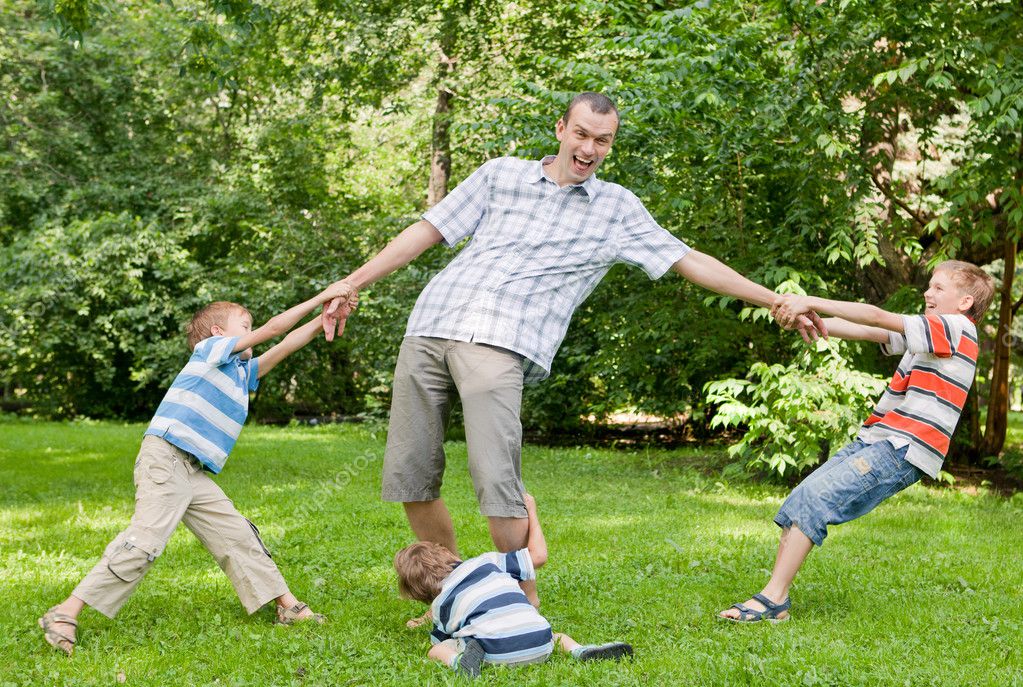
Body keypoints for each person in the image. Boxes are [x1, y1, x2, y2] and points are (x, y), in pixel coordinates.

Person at [323, 92, 822, 609]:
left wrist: (774, 299)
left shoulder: (616, 210)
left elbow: (689, 260)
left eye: (601, 140)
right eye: (581, 134)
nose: (589, 147)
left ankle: (521, 603)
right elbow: (428, 231)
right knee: (412, 474)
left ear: (610, 146)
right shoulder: (500, 174)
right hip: (430, 324)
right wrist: (351, 282)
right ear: (560, 128)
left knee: (497, 481)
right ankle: (450, 597)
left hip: (500, 342)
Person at [38, 284, 356, 655]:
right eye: (244, 323)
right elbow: (273, 331)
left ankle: (286, 606)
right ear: (218, 333)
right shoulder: (209, 352)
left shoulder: (240, 372)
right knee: (145, 541)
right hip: (167, 457)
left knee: (237, 535)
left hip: (193, 470)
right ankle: (64, 612)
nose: (251, 329)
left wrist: (325, 319)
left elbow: (284, 345)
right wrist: (321, 296)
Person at [719, 260, 995, 623]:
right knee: (803, 497)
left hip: (902, 448)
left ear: (964, 303)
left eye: (939, 288)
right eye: (929, 285)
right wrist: (808, 320)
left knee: (816, 500)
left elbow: (878, 316)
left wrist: (809, 301)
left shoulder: (956, 327)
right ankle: (776, 597)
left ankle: (773, 601)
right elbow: (868, 331)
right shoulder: (932, 334)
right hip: (879, 440)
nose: (927, 292)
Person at [393, 493, 633, 677]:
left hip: (493, 653)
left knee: (437, 648)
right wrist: (532, 512)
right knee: (556, 635)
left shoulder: (440, 607)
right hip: (540, 642)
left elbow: (440, 640)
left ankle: (460, 663)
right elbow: (538, 555)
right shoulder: (487, 562)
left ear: (420, 593)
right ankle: (579, 650)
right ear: (446, 554)